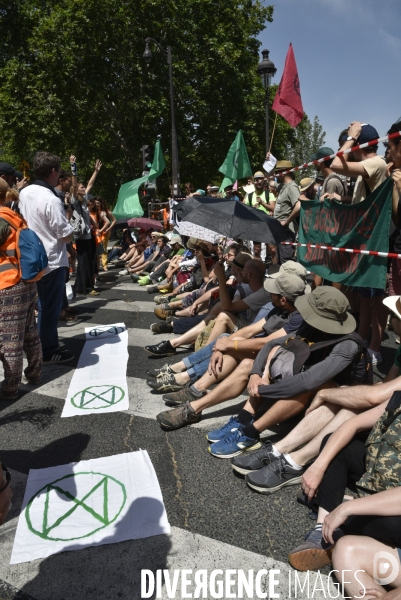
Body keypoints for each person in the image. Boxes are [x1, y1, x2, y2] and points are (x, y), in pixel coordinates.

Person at [287, 395, 401, 588]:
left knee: (390, 525)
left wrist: (348, 509)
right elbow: (353, 424)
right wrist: (318, 466)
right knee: (336, 444)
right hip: (380, 479)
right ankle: (322, 528)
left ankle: (335, 509)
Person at [331, 122, 388, 366]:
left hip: (375, 241)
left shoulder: (375, 162)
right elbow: (362, 197)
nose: (350, 147)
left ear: (360, 145)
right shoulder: (369, 165)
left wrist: (351, 138)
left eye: (353, 143)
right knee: (365, 297)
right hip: (365, 240)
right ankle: (362, 337)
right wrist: (340, 197)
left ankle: (375, 345)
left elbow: (335, 164)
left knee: (376, 299)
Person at [19, 151, 74, 364]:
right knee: (49, 309)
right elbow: (65, 235)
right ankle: (48, 351)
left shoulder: (24, 193)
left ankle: (35, 347)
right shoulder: (51, 199)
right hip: (51, 259)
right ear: (53, 172)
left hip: (30, 258)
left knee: (36, 307)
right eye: (59, 171)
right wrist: (70, 226)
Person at [0, 180, 42, 398]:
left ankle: (10, 386)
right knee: (28, 333)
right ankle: (34, 373)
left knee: (10, 340)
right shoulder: (13, 215)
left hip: (8, 285)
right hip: (26, 283)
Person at [70, 155, 102, 298]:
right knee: (83, 263)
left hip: (88, 236)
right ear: (77, 190)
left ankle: (85, 286)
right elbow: (74, 183)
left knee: (89, 261)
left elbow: (90, 184)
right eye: (81, 187)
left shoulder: (84, 201)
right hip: (82, 237)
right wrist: (73, 168)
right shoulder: (75, 200)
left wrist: (96, 171)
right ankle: (83, 288)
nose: (84, 188)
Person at [97, 197, 116, 272]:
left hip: (105, 233)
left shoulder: (106, 211)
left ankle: (104, 265)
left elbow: (114, 220)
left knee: (103, 248)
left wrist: (109, 228)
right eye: (95, 203)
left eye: (98, 203)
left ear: (101, 203)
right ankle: (98, 264)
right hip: (96, 232)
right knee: (97, 249)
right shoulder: (93, 211)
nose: (96, 204)